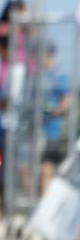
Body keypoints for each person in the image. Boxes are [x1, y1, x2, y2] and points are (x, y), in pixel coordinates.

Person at [39, 42, 72, 195]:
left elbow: (68, 99)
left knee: (48, 169)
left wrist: (54, 111)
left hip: (56, 131)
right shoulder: (42, 75)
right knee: (44, 170)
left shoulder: (60, 75)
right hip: (42, 131)